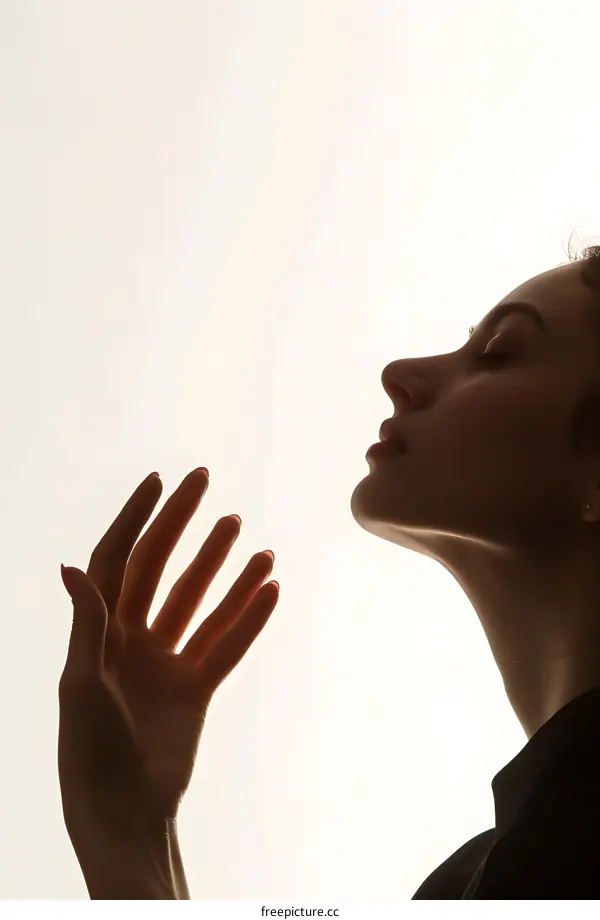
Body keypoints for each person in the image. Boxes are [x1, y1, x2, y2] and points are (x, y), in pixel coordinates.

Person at [58, 241, 600, 899]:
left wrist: (127, 841)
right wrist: (138, 830)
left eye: (498, 353)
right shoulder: (472, 876)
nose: (401, 371)